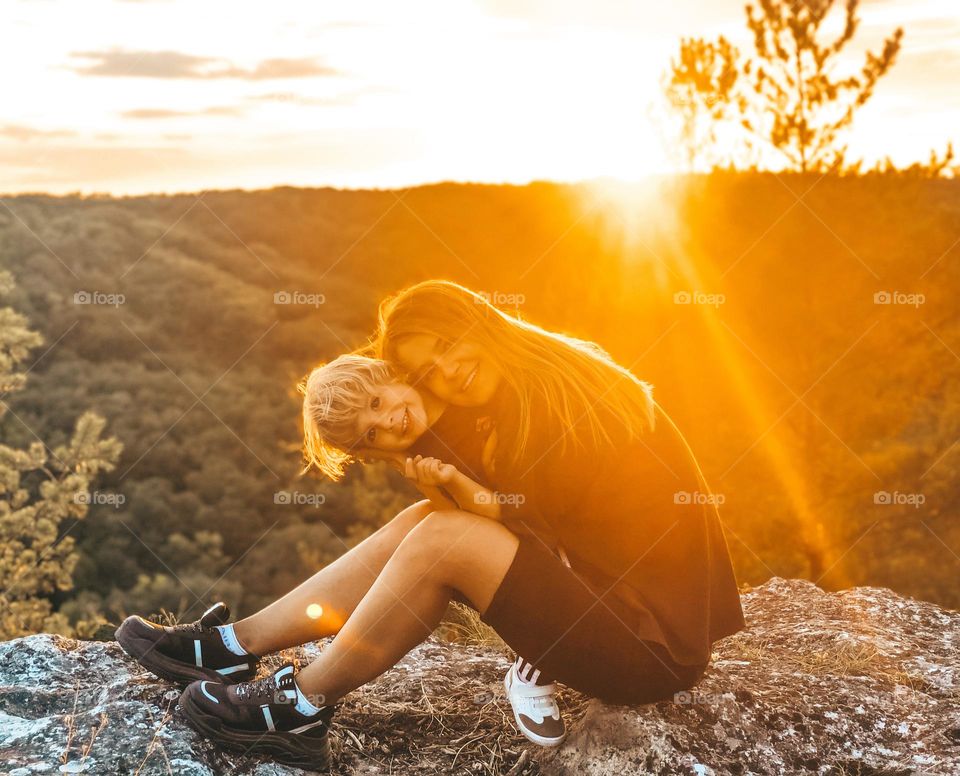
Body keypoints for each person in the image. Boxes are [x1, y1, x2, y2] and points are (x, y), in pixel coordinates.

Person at [115, 352, 566, 768]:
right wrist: (414, 468)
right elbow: (472, 523)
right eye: (371, 435)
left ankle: (301, 707)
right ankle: (232, 646)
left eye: (376, 402)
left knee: (437, 533)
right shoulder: (438, 431)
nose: (387, 421)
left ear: (391, 375)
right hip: (541, 579)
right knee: (425, 519)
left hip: (574, 603)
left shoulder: (494, 403)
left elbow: (515, 520)